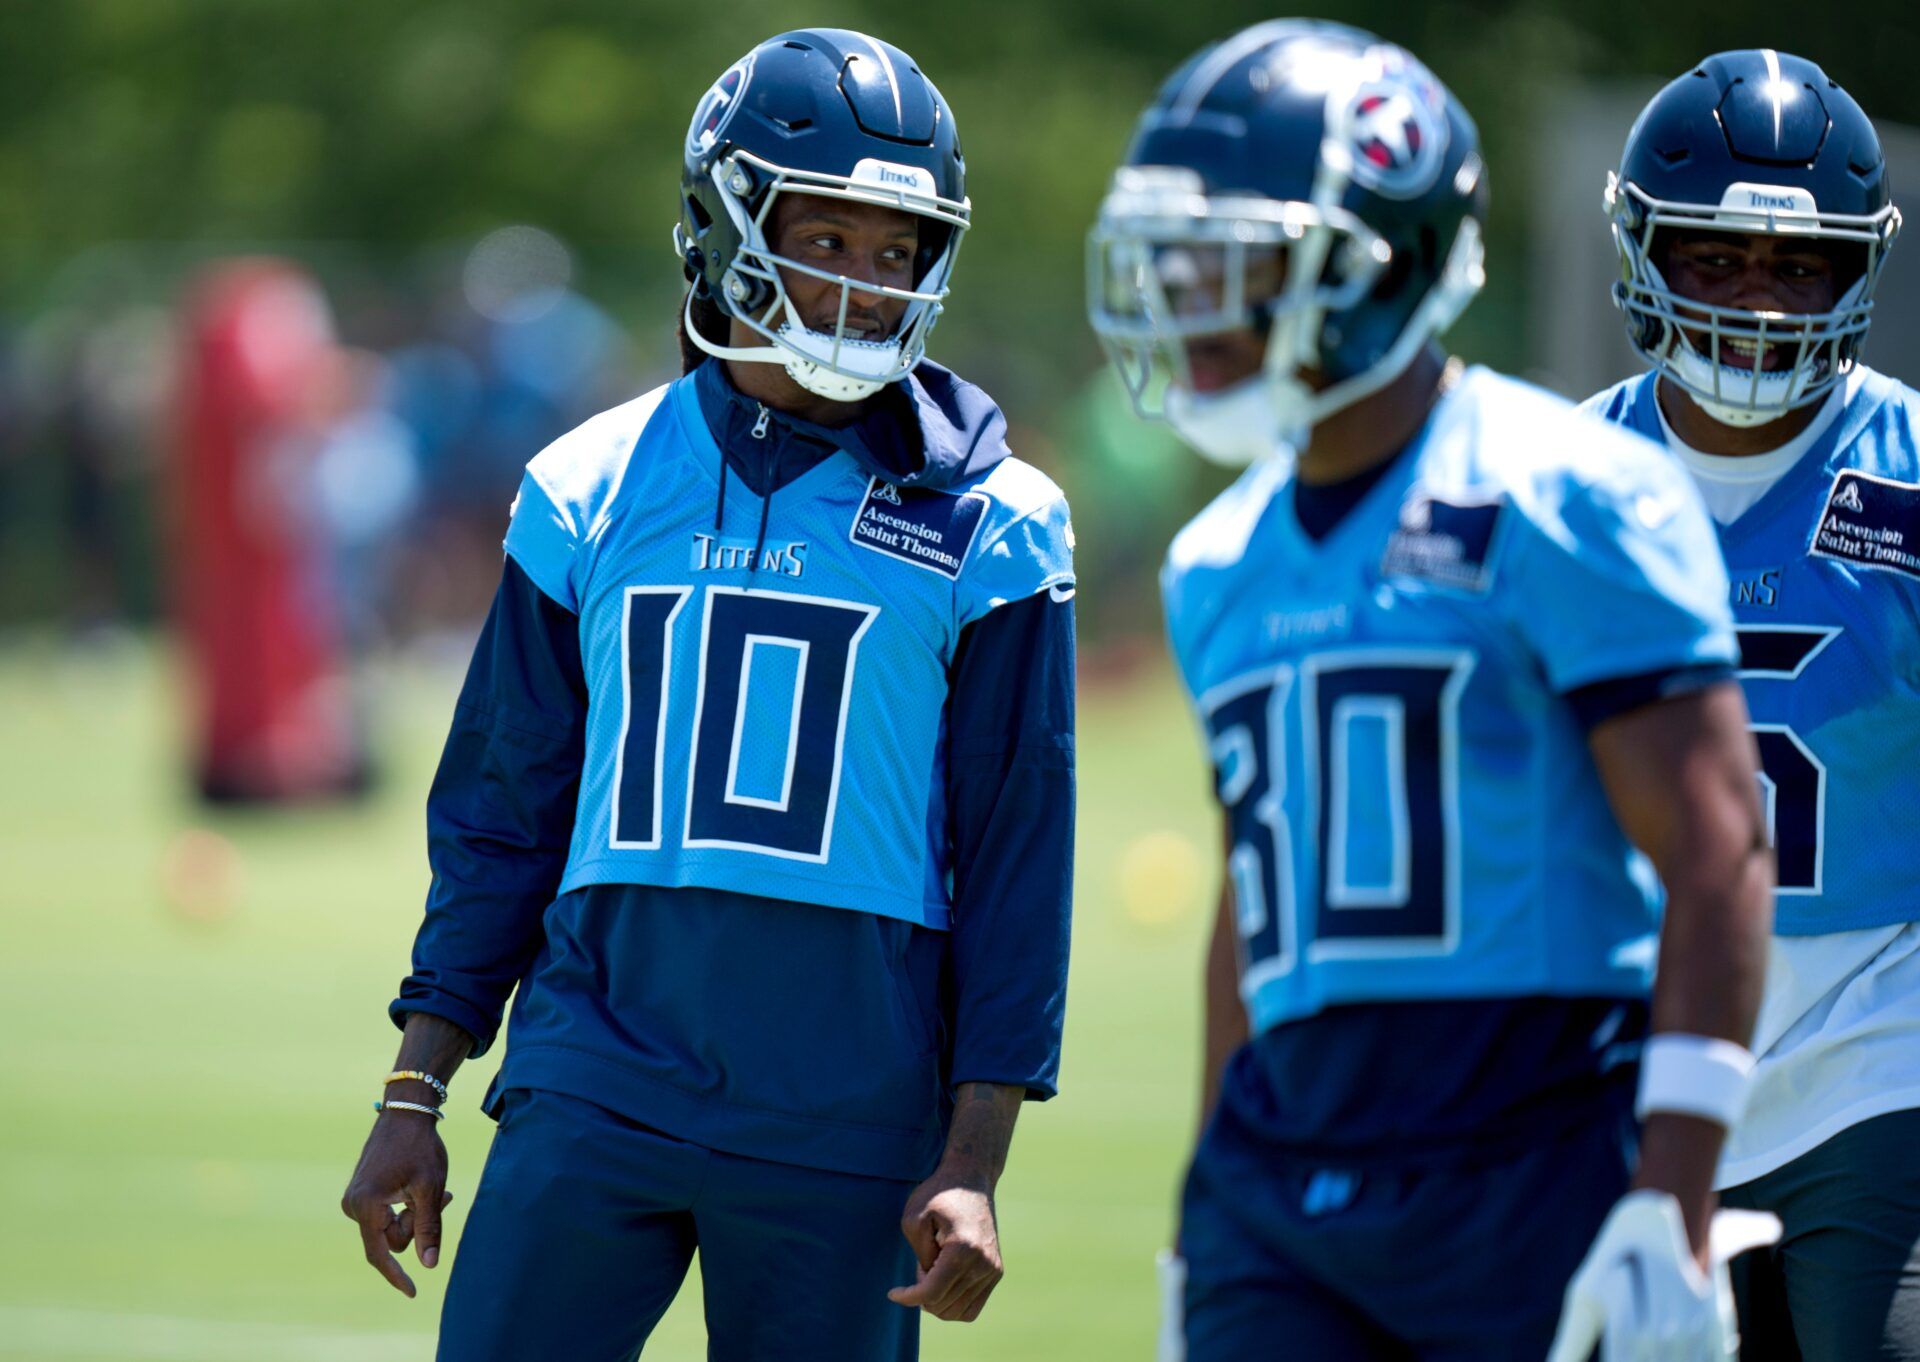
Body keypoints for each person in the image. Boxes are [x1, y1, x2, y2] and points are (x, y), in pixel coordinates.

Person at [339, 28, 1077, 1360]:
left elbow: (1020, 855)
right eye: (829, 238)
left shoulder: (994, 520)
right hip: (594, 1070)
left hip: (847, 1103)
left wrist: (975, 1154)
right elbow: (504, 814)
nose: (864, 283)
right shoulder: (590, 480)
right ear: (727, 225)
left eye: (897, 249)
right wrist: (417, 1084)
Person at [1086, 20, 1775, 1360]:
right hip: (1276, 1174)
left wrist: (1675, 1190)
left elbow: (1714, 846)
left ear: (1380, 260)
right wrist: (1199, 1206)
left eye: (1241, 251)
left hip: (1530, 1140)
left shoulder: (1565, 487)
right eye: (1180, 250)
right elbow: (1254, 906)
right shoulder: (1215, 555)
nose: (1190, 290)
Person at [1583, 49, 1920, 1360]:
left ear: (1860, 270)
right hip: (1629, 1070)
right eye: (1715, 257)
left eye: (1797, 264)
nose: (1760, 301)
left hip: (1874, 1062)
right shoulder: (1563, 485)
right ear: (1646, 250)